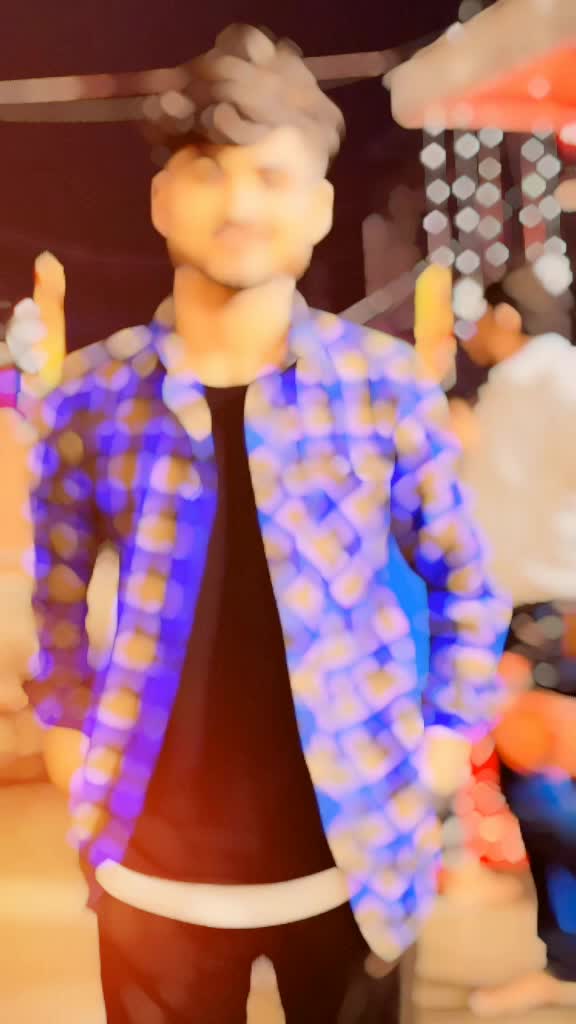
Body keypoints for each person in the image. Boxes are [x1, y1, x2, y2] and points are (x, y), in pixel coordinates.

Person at [3, 25, 509, 1024]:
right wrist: (61, 719)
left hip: (354, 850)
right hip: (149, 864)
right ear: (162, 199)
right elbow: (54, 587)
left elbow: (464, 576)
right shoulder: (93, 397)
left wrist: (450, 733)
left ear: (317, 206)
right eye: (208, 171)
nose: (239, 205)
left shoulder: (381, 386)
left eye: (271, 175)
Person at [441, 260, 576, 1017]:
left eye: (480, 319)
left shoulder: (553, 383)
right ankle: (564, 962)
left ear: (508, 319)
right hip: (526, 606)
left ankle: (566, 959)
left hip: (553, 608)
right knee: (534, 781)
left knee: (540, 780)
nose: (472, 335)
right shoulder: (517, 387)